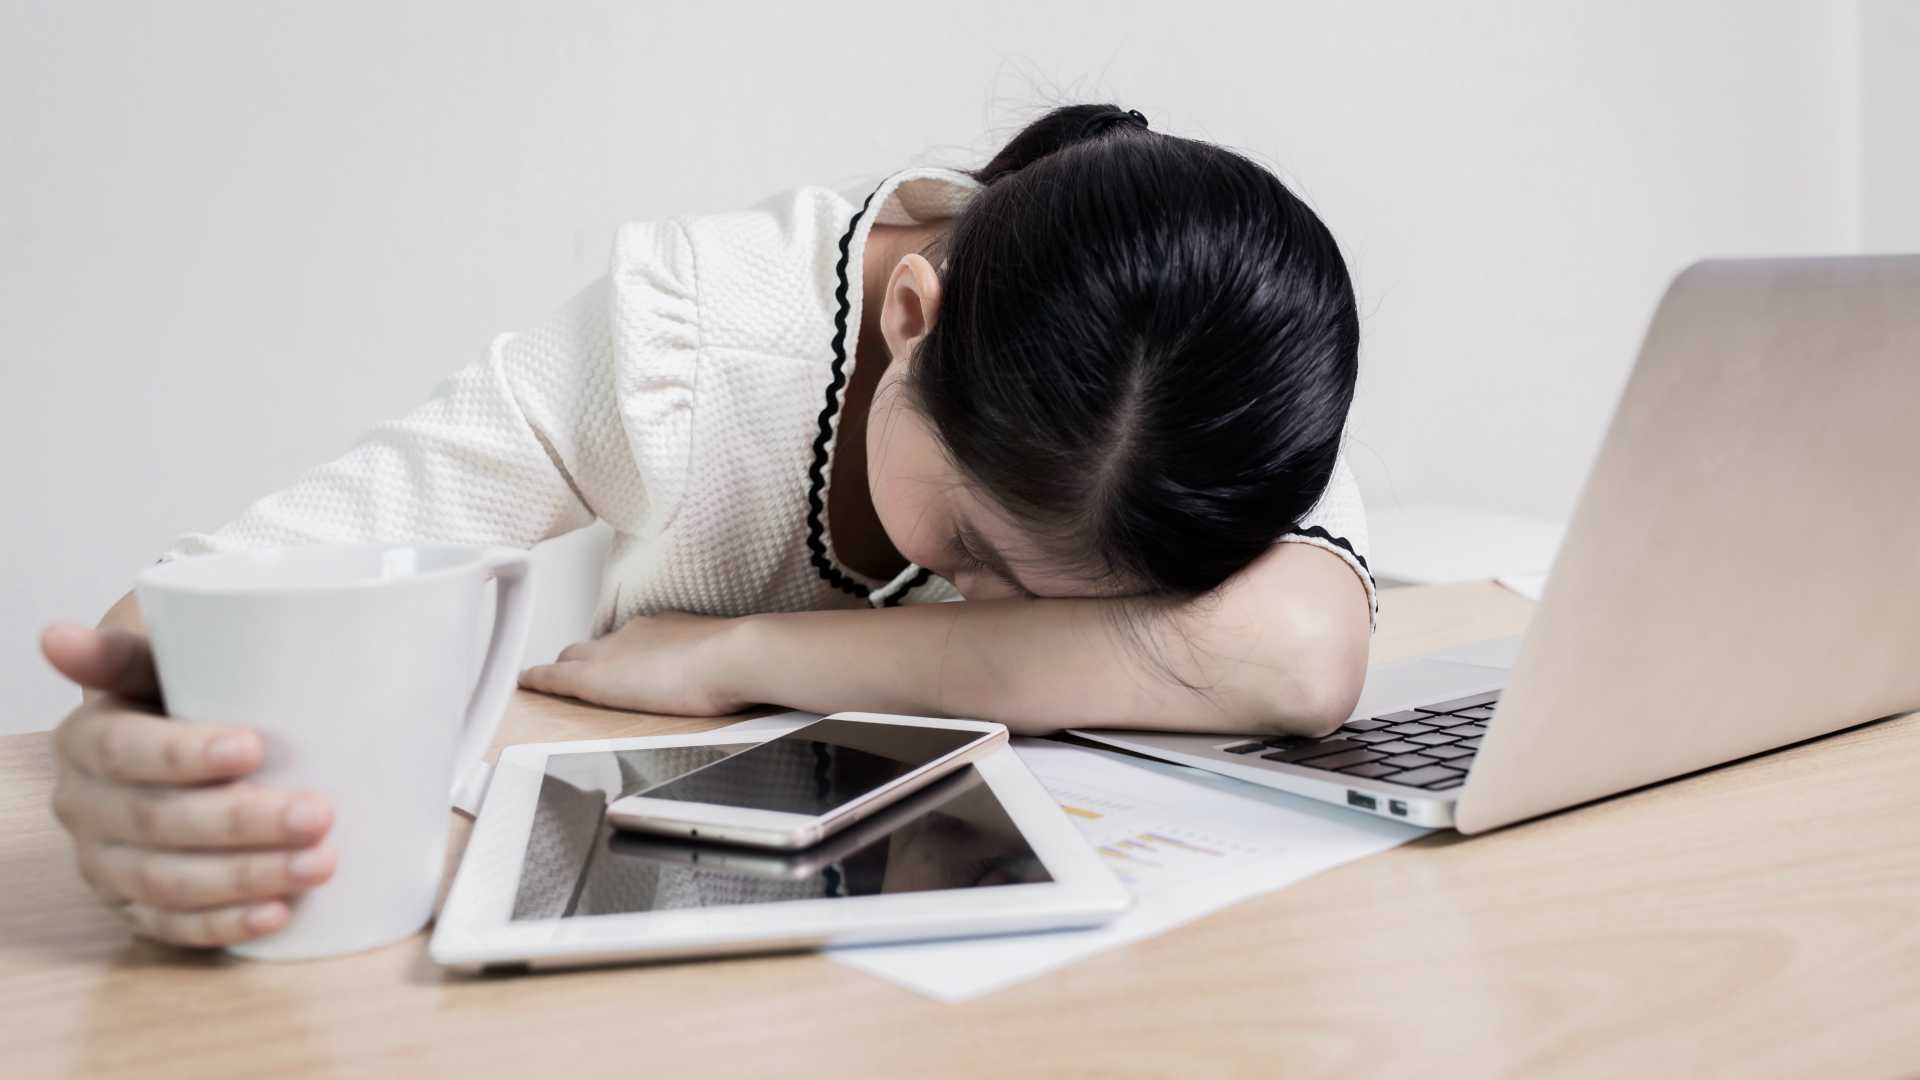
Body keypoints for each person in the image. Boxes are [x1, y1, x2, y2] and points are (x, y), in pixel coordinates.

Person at [39, 104, 1374, 948]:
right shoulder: (691, 343)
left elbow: (1299, 658)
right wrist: (142, 759)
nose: (990, 610)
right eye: (972, 547)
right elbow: (190, 615)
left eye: (1084, 606)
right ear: (908, 317)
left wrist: (741, 655)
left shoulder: (1197, 384)